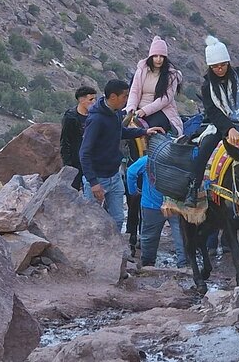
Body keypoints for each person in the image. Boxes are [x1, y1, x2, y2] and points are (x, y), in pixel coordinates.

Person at [184, 36, 239, 207]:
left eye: (223, 65)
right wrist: (229, 129)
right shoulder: (207, 85)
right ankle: (193, 188)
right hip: (220, 125)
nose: (220, 69)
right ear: (210, 66)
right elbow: (213, 112)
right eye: (215, 66)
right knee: (205, 149)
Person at [80, 79, 164, 231]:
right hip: (98, 179)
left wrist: (144, 131)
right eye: (124, 96)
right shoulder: (96, 119)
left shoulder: (116, 113)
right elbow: (84, 153)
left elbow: (120, 132)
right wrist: (93, 182)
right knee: (90, 222)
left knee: (117, 220)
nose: (127, 99)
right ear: (113, 97)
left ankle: (113, 252)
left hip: (114, 175)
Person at [126, 155, 187, 268]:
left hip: (151, 204)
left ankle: (148, 264)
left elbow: (131, 172)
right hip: (175, 203)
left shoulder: (147, 159)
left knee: (149, 237)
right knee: (181, 235)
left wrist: (133, 191)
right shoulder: (179, 158)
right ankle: (184, 265)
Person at [125, 36, 183, 136]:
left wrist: (145, 110)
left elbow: (165, 99)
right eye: (155, 56)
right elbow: (134, 90)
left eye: (161, 56)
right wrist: (131, 108)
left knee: (151, 129)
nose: (158, 59)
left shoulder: (171, 75)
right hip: (138, 109)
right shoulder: (142, 70)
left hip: (160, 110)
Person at [60, 86, 97, 190]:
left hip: (93, 161)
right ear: (81, 100)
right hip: (76, 160)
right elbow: (65, 141)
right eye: (91, 99)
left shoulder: (96, 116)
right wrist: (68, 165)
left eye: (95, 99)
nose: (94, 102)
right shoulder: (71, 118)